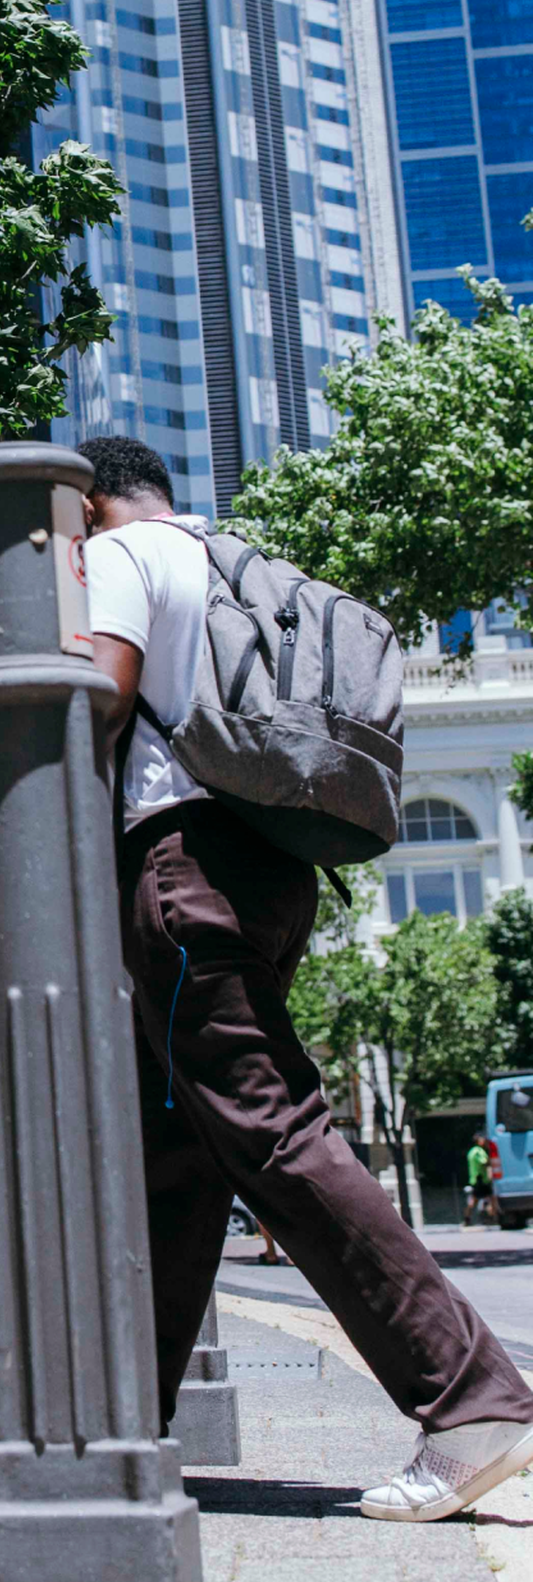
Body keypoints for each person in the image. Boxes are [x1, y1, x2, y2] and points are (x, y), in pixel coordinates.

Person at [78, 434, 533, 1524]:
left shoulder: (118, 558)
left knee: (274, 1130)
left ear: (88, 507)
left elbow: (96, 700)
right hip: (269, 869)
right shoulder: (225, 557)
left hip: (179, 868)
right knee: (185, 1155)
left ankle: (474, 1398)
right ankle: (122, 1429)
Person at [466, 1134, 498, 1229]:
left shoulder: (472, 1151)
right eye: (482, 1139)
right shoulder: (478, 1151)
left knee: (475, 1199)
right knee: (490, 1198)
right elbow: (485, 1162)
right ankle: (492, 1217)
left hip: (476, 1179)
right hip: (480, 1179)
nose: (484, 1140)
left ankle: (467, 1218)